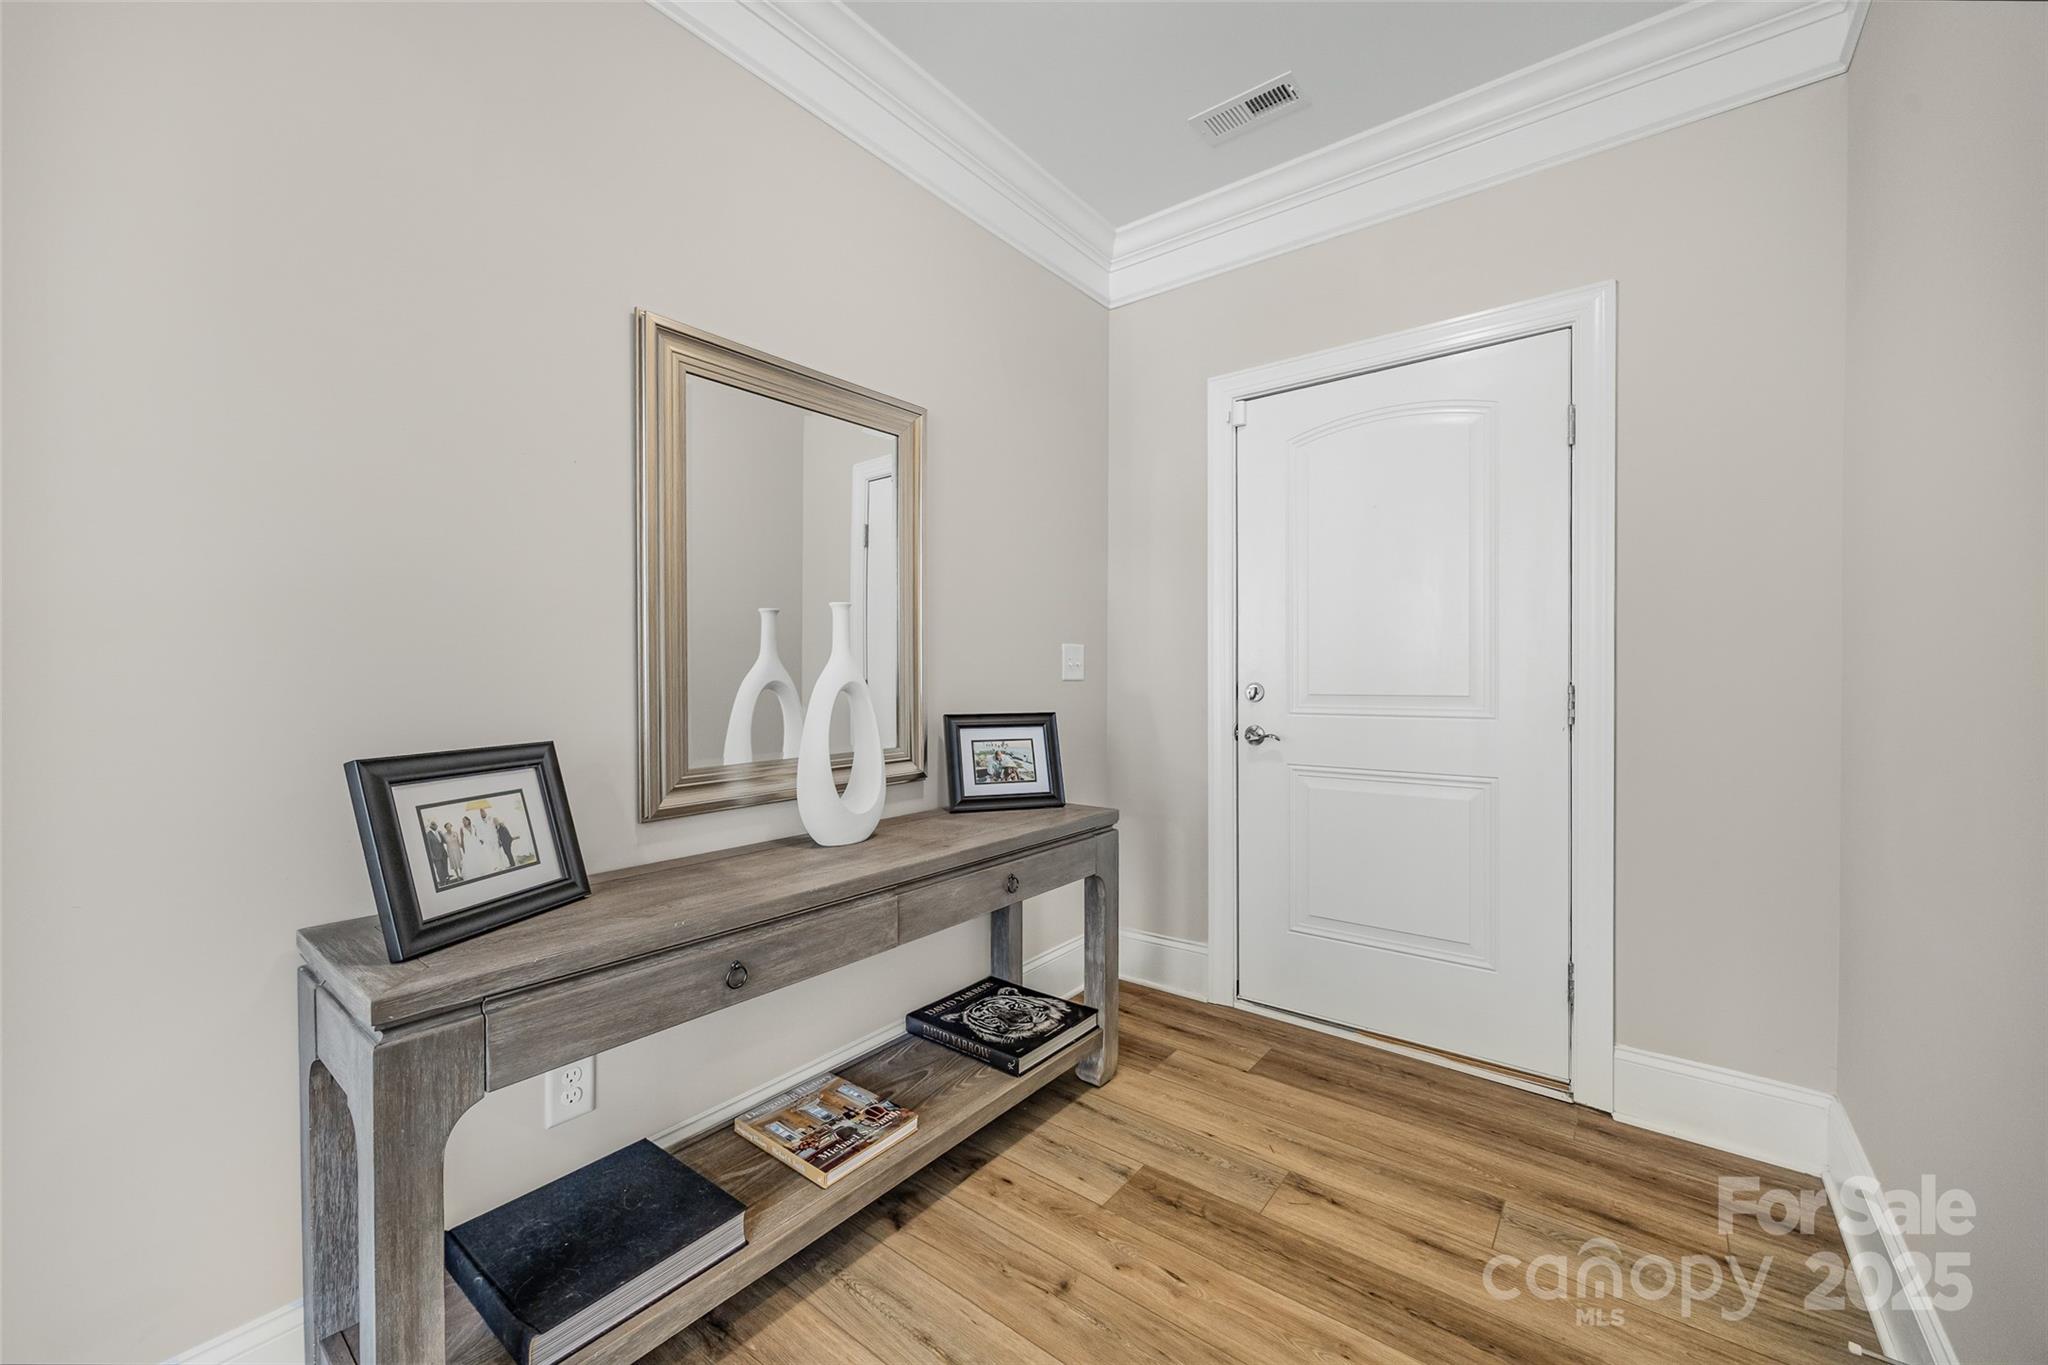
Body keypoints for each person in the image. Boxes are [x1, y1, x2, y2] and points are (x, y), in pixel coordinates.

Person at [423, 820, 448, 886]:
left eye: (436, 824)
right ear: (430, 826)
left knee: (445, 868)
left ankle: (446, 880)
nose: (435, 825)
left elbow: (445, 841)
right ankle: (442, 882)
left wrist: (442, 834)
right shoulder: (428, 835)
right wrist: (432, 855)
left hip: (443, 853)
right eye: (433, 824)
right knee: (439, 869)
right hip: (436, 855)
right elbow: (428, 847)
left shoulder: (439, 833)